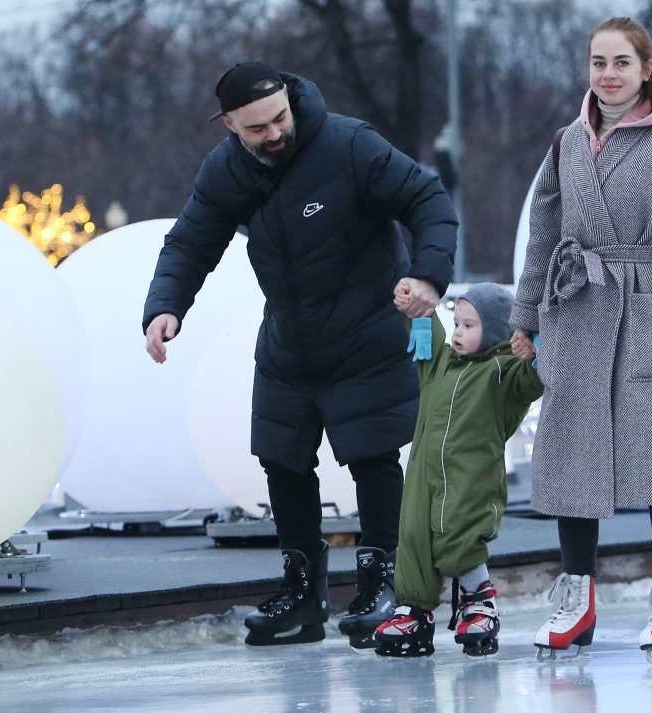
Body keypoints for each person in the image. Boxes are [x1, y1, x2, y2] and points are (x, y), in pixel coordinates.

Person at [142, 61, 458, 648]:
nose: (274, 134)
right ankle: (303, 593)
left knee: (372, 454)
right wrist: (166, 307)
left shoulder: (349, 145)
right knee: (281, 458)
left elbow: (427, 198)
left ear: (291, 101)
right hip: (290, 338)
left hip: (367, 328)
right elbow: (190, 241)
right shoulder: (226, 170)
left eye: (279, 119)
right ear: (231, 126)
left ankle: (383, 582)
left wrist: (429, 276)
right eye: (257, 128)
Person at [509, 17, 652, 660]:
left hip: (647, 312)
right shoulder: (565, 144)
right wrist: (525, 318)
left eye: (621, 63)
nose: (608, 74)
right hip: (577, 312)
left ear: (645, 69)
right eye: (597, 62)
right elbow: (544, 238)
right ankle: (575, 597)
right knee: (571, 458)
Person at [372, 282, 543, 657]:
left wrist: (533, 351)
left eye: (470, 325)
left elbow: (532, 380)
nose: (459, 332)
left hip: (471, 478)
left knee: (459, 536)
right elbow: (427, 338)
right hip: (423, 474)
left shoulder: (503, 372)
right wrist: (416, 308)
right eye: (458, 324)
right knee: (414, 540)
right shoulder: (442, 364)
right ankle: (414, 611)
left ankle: (480, 600)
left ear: (497, 331)